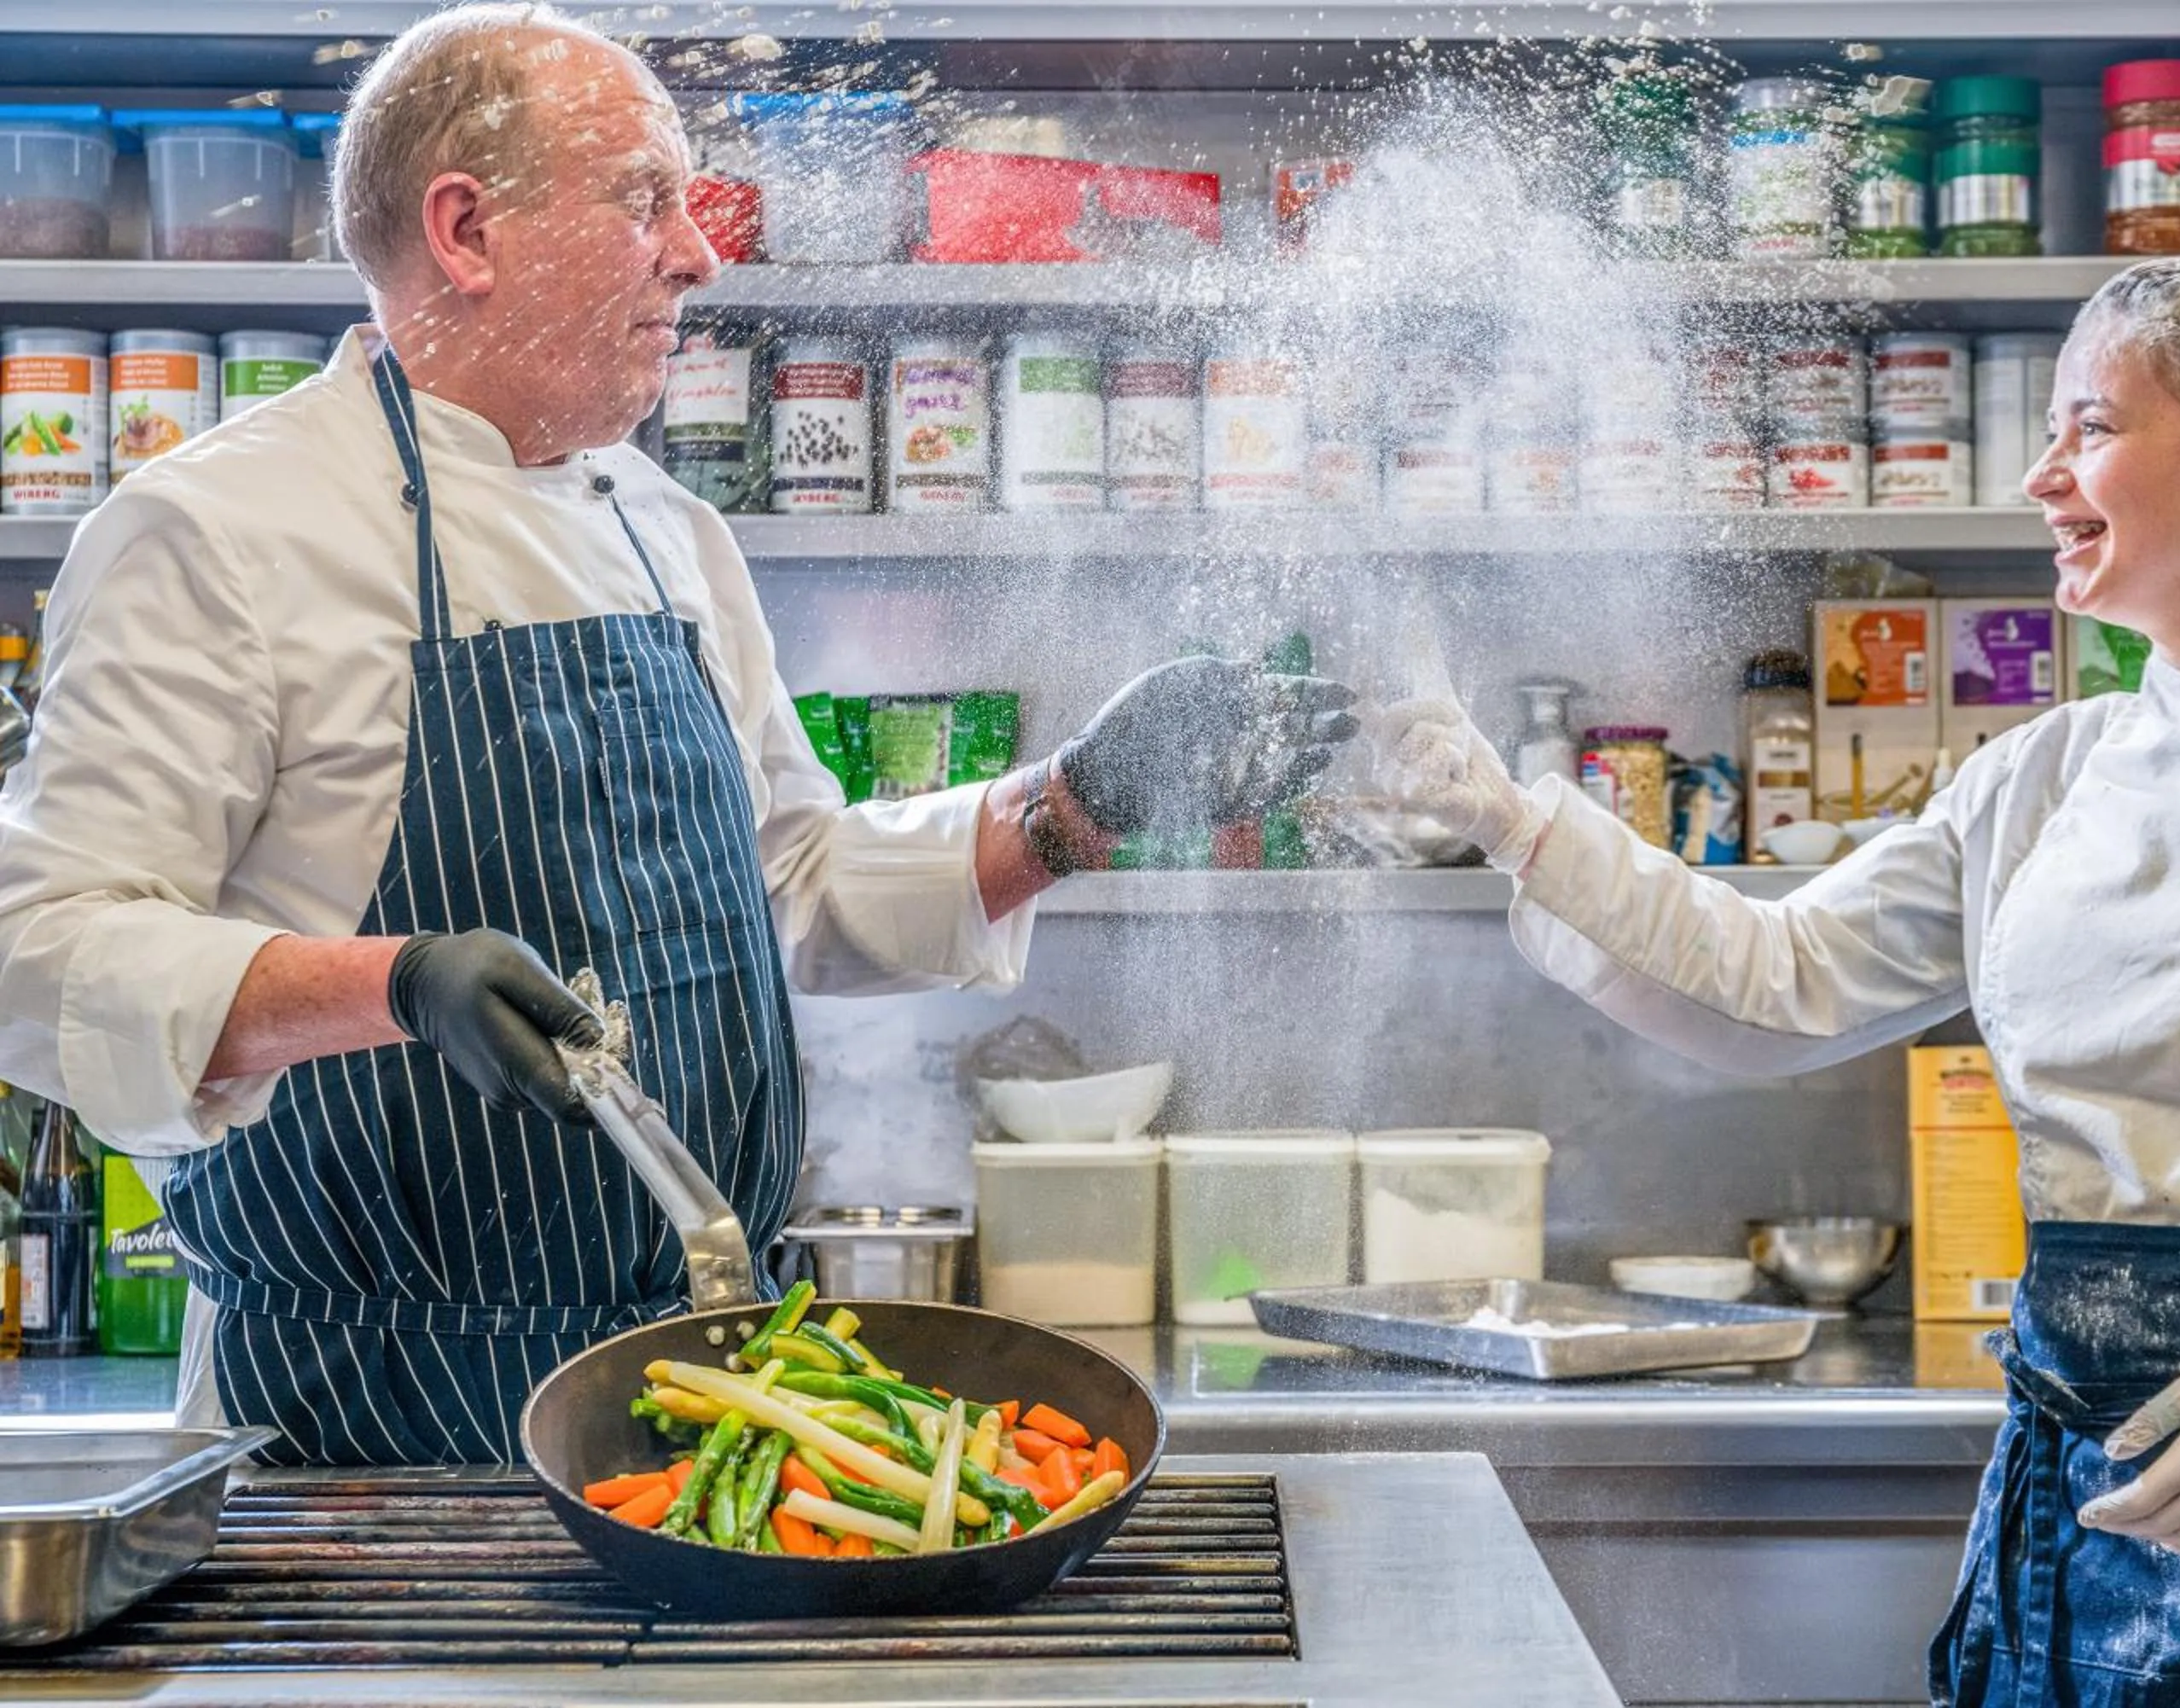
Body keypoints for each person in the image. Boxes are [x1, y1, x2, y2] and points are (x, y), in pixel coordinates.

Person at [0, 3, 1351, 1465]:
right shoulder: (215, 531)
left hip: (702, 1392)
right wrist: (397, 985)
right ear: (466, 231)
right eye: (645, 199)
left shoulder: (665, 529)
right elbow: (41, 949)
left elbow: (790, 885)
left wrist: (1074, 807)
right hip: (371, 1416)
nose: (700, 252)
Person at [1381, 254, 2180, 1701]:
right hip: (2087, 1466)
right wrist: (1515, 820)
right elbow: (1780, 975)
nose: (2041, 477)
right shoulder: (2046, 771)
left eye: (2091, 429)